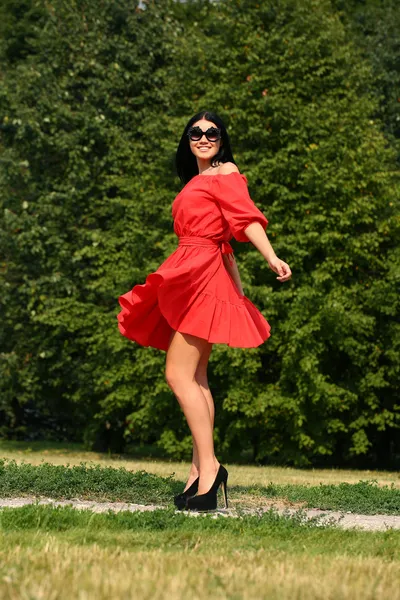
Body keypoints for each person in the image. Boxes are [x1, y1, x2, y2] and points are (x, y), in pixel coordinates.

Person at [117, 110, 292, 512]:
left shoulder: (225, 172)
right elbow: (224, 243)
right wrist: (239, 291)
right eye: (195, 132)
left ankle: (210, 469)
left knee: (177, 373)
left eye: (212, 133)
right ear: (187, 139)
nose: (203, 137)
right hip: (196, 272)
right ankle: (199, 471)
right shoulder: (196, 181)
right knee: (196, 375)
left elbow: (246, 221)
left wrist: (271, 257)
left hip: (202, 277)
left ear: (222, 139)